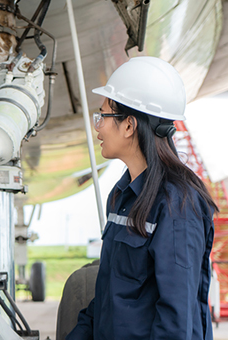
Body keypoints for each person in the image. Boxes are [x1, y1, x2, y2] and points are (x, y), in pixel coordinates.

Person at [67, 57, 218, 339]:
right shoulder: (122, 195)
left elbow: (176, 319)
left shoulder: (178, 204)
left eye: (103, 116)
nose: (97, 127)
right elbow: (110, 296)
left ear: (129, 126)